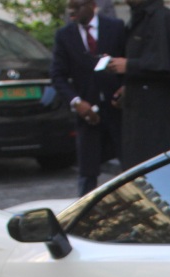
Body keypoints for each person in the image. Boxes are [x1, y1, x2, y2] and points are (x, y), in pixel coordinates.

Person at [107, 0, 170, 170]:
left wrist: (128, 65)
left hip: (154, 112)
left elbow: (163, 62)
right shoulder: (138, 18)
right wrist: (127, 86)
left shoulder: (163, 18)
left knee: (153, 163)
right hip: (134, 110)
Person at [51, 0, 126, 195]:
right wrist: (76, 102)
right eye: (70, 7)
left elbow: (129, 62)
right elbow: (58, 76)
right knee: (87, 172)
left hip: (118, 110)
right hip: (87, 113)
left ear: (91, 5)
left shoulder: (115, 28)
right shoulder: (65, 35)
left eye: (77, 7)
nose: (72, 12)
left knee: (129, 166)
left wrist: (126, 89)